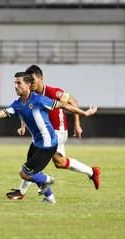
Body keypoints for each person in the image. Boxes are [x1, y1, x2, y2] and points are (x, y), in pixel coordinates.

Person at [0, 72, 97, 203]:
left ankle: (48, 180)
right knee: (32, 171)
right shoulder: (17, 104)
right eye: (15, 83)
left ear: (28, 85)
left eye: (19, 83)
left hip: (48, 145)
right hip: (37, 143)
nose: (15, 86)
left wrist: (84, 113)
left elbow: (64, 105)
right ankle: (49, 198)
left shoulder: (39, 100)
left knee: (25, 173)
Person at [7, 65, 101, 200]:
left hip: (57, 131)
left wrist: (78, 123)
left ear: (40, 78)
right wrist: (22, 125)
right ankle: (91, 172)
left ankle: (23, 192)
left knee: (34, 162)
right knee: (58, 163)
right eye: (28, 80)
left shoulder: (53, 92)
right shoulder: (30, 95)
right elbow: (26, 110)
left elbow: (72, 101)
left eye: (32, 80)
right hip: (44, 132)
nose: (30, 83)